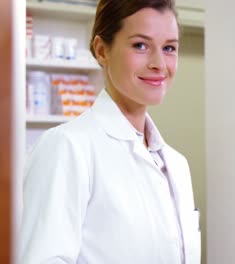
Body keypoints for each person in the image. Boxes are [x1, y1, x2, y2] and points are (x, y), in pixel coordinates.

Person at [19, 0, 200, 263]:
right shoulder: (67, 147)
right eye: (140, 45)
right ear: (102, 50)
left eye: (169, 48)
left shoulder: (177, 165)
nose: (159, 63)